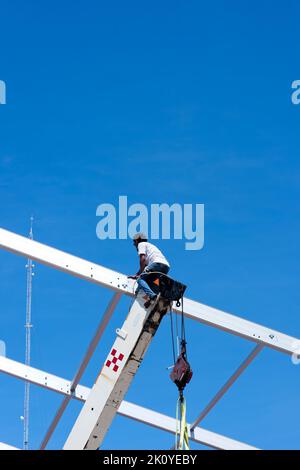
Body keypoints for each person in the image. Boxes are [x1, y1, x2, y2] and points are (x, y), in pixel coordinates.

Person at [128, 233, 170, 308]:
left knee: (140, 279)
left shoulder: (141, 244)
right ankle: (153, 299)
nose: (134, 244)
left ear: (138, 240)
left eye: (134, 241)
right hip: (165, 267)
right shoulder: (150, 247)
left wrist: (139, 275)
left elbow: (142, 259)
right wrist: (139, 273)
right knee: (151, 283)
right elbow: (146, 267)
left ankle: (152, 296)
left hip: (157, 264)